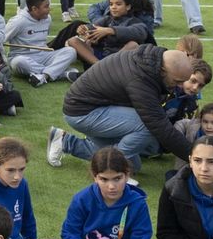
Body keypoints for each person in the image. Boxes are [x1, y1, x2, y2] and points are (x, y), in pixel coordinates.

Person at [48, 46, 203, 171]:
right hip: (82, 112)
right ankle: (114, 170)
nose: (180, 87)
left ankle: (64, 141)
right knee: (147, 127)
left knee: (133, 166)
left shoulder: (151, 61)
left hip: (97, 107)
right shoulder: (140, 80)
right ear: (163, 71)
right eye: (177, 81)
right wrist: (195, 157)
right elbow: (158, 125)